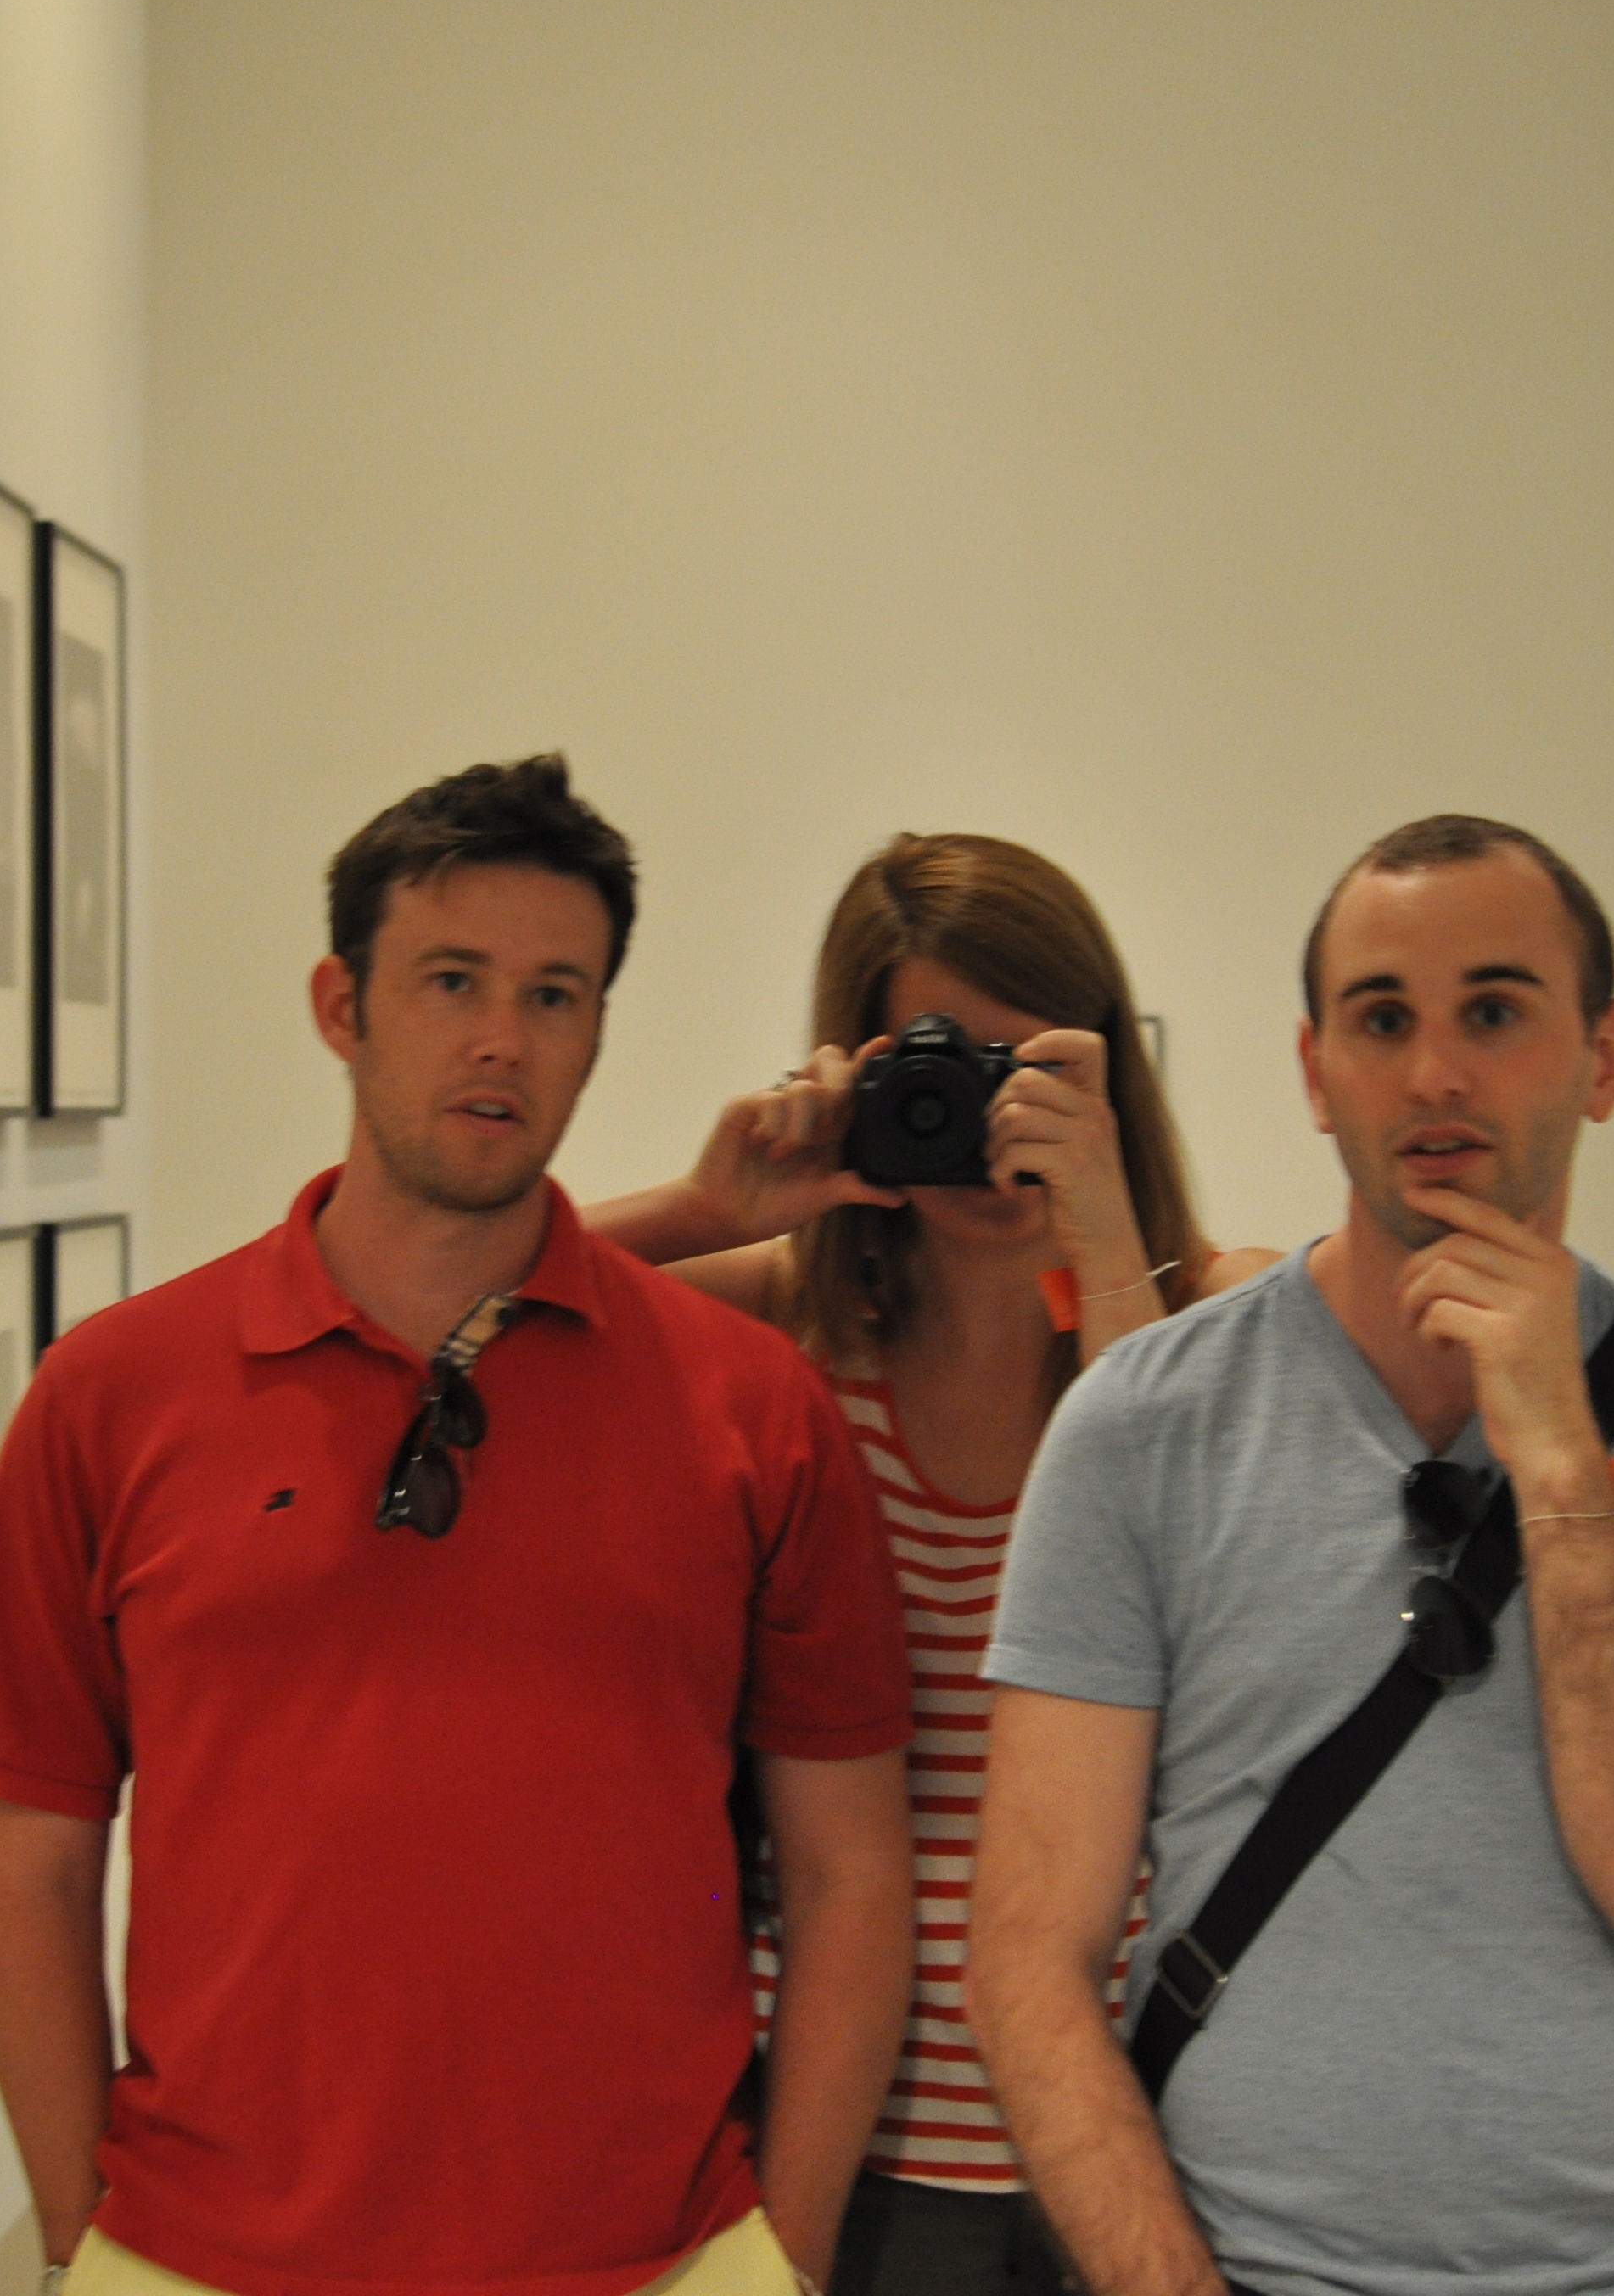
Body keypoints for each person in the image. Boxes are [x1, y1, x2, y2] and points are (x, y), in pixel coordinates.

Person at [0, 754, 918, 2296]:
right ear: (343, 1006)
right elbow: (30, 1855)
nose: (501, 1038)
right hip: (202, 2253)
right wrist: (80, 2239)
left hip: (659, 2256)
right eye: (451, 980)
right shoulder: (109, 1397)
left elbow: (851, 1871)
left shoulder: (753, 1409)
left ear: (597, 1030)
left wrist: (783, 2254)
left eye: (555, 995)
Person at [967, 814, 1614, 2296]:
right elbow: (1027, 1959)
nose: (1436, 1073)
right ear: (1316, 1074)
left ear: (1606, 1055)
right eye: (1382, 1020)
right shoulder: (1141, 1420)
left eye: (1494, 1012)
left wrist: (1558, 1456)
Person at [591, 833, 1275, 2296]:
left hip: (1148, 2130)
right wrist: (708, 1206)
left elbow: (1216, 1604)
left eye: (1028, 1067)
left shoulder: (1223, 1318)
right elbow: (465, 1298)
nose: (989, 1116)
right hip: (848, 2129)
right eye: (942, 1067)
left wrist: (1108, 1252)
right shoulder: (786, 1333)